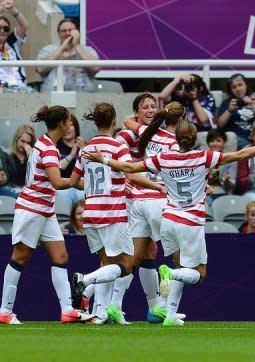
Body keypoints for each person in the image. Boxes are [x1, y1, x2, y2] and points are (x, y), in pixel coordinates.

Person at [83, 121, 255, 326]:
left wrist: (105, 160)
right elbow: (239, 155)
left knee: (181, 267)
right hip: (190, 223)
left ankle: (170, 315)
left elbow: (131, 166)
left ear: (176, 138)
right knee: (197, 274)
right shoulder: (203, 157)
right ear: (194, 139)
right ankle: (170, 274)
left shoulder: (163, 158)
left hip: (168, 220)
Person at [70, 102, 165, 324]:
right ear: (114, 121)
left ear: (95, 122)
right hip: (112, 214)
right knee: (126, 264)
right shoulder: (118, 147)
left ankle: (100, 312)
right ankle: (85, 280)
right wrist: (157, 186)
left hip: (91, 213)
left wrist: (99, 187)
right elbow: (131, 173)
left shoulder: (86, 149)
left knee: (107, 264)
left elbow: (74, 181)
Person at [0, 105, 94, 325]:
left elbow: (56, 181)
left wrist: (79, 180)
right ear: (61, 124)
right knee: (20, 257)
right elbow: (57, 182)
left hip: (45, 210)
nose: (71, 125)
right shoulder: (48, 149)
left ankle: (67, 310)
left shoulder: (43, 142)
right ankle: (4, 311)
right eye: (69, 121)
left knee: (60, 256)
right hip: (32, 209)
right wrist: (76, 177)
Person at [119, 100, 184, 323]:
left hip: (139, 199)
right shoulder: (175, 143)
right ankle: (167, 309)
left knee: (138, 256)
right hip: (158, 200)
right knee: (177, 260)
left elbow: (128, 121)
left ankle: (113, 305)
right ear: (182, 119)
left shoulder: (151, 133)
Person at [115, 93, 165, 322]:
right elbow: (117, 161)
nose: (150, 110)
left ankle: (154, 308)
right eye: (145, 107)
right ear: (137, 112)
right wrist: (123, 176)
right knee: (131, 254)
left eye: (153, 106)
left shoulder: (160, 137)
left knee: (149, 251)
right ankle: (108, 302)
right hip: (133, 198)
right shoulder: (125, 135)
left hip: (150, 195)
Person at [36, 18, 100, 92]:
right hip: (53, 94)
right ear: (59, 34)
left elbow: (95, 68)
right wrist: (62, 47)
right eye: (63, 31)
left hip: (83, 94)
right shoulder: (48, 49)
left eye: (71, 30)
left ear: (77, 32)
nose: (67, 33)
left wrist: (77, 45)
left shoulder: (87, 50)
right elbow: (40, 69)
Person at [217, 73, 255, 149]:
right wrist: (229, 110)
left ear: (246, 85)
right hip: (234, 141)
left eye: (240, 85)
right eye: (234, 87)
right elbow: (219, 126)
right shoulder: (227, 103)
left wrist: (254, 108)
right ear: (231, 90)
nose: (237, 89)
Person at [56, 113, 85, 209]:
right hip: (63, 187)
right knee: (64, 196)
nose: (68, 129)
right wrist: (72, 154)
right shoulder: (55, 147)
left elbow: (91, 168)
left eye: (71, 125)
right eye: (65, 125)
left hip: (80, 186)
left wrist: (85, 150)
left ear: (76, 127)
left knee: (82, 195)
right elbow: (57, 168)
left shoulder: (85, 146)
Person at [0, 124, 35, 198]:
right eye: (22, 141)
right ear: (16, 140)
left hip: (28, 190)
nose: (25, 145)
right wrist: (3, 178)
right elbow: (6, 174)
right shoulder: (7, 156)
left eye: (28, 143)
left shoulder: (33, 158)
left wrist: (32, 157)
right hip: (12, 190)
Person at [205, 128, 236, 205]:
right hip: (206, 194)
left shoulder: (231, 159)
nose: (215, 144)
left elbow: (233, 185)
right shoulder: (202, 158)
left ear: (224, 143)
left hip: (224, 193)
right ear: (208, 143)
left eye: (218, 141)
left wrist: (227, 180)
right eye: (212, 141)